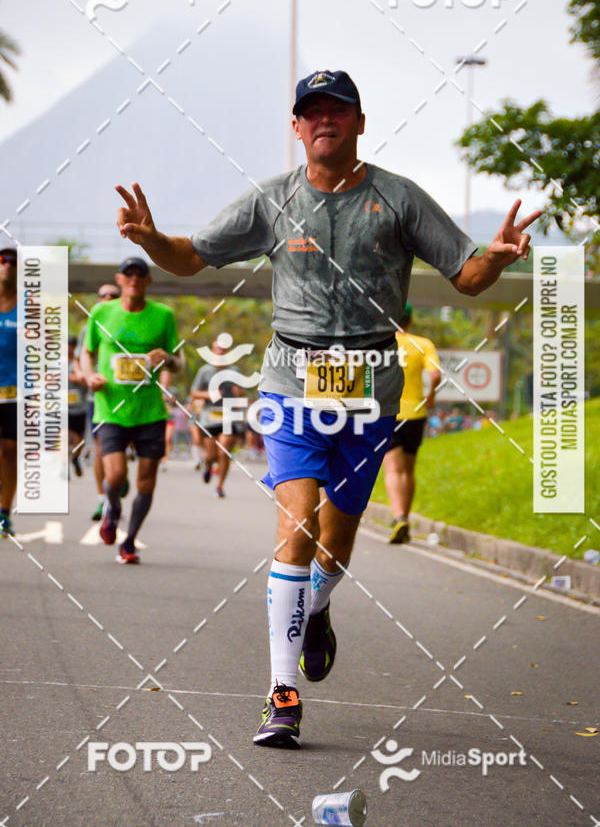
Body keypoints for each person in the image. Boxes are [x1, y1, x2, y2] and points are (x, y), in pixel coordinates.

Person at [114, 69, 540, 746]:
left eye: (336, 110)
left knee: (335, 547)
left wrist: (498, 257)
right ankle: (282, 695)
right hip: (289, 385)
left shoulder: (399, 199)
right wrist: (151, 241)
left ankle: (317, 607)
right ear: (296, 128)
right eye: (310, 112)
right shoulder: (271, 201)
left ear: (360, 122)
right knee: (296, 524)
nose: (323, 121)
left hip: (370, 391)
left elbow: (466, 276)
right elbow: (191, 258)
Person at [80, 257, 180, 564]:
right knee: (116, 477)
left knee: (146, 482)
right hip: (110, 409)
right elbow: (87, 352)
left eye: (140, 274)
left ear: (148, 280)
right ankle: (113, 509)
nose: (134, 278)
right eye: (128, 273)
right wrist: (89, 376)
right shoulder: (101, 311)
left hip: (149, 411)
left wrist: (168, 358)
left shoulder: (163, 315)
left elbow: (178, 362)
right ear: (119, 279)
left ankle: (130, 541)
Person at [382, 303, 441, 544]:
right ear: (410, 321)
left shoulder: (382, 343)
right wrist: (431, 396)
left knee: (393, 469)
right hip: (415, 414)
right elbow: (435, 374)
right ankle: (405, 515)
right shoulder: (423, 344)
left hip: (389, 412)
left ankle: (398, 519)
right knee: (408, 469)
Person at [76, 283, 124, 520]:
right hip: (99, 398)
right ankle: (101, 500)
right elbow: (81, 358)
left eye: (113, 296)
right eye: (102, 295)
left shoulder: (131, 321)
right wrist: (88, 377)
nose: (107, 298)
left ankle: (117, 480)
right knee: (100, 449)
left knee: (123, 452)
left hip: (130, 398)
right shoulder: (90, 327)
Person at [189, 337, 244, 498]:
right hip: (210, 417)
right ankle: (208, 465)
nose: (220, 351)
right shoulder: (205, 371)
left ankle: (220, 486)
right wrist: (209, 394)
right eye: (217, 349)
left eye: (223, 349)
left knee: (224, 451)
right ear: (213, 351)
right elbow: (194, 392)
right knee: (212, 455)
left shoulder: (234, 371)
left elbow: (241, 392)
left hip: (228, 415)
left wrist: (238, 391)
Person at [0, 246, 17, 538]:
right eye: (2, 260)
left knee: (10, 451)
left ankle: (4, 513)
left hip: (16, 391)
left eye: (14, 262)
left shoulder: (30, 304)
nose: (8, 265)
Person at [68, 336, 88, 477]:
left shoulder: (82, 362)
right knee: (66, 435)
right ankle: (64, 465)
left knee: (80, 440)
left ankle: (75, 457)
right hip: (64, 407)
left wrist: (76, 377)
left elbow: (87, 380)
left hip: (81, 407)